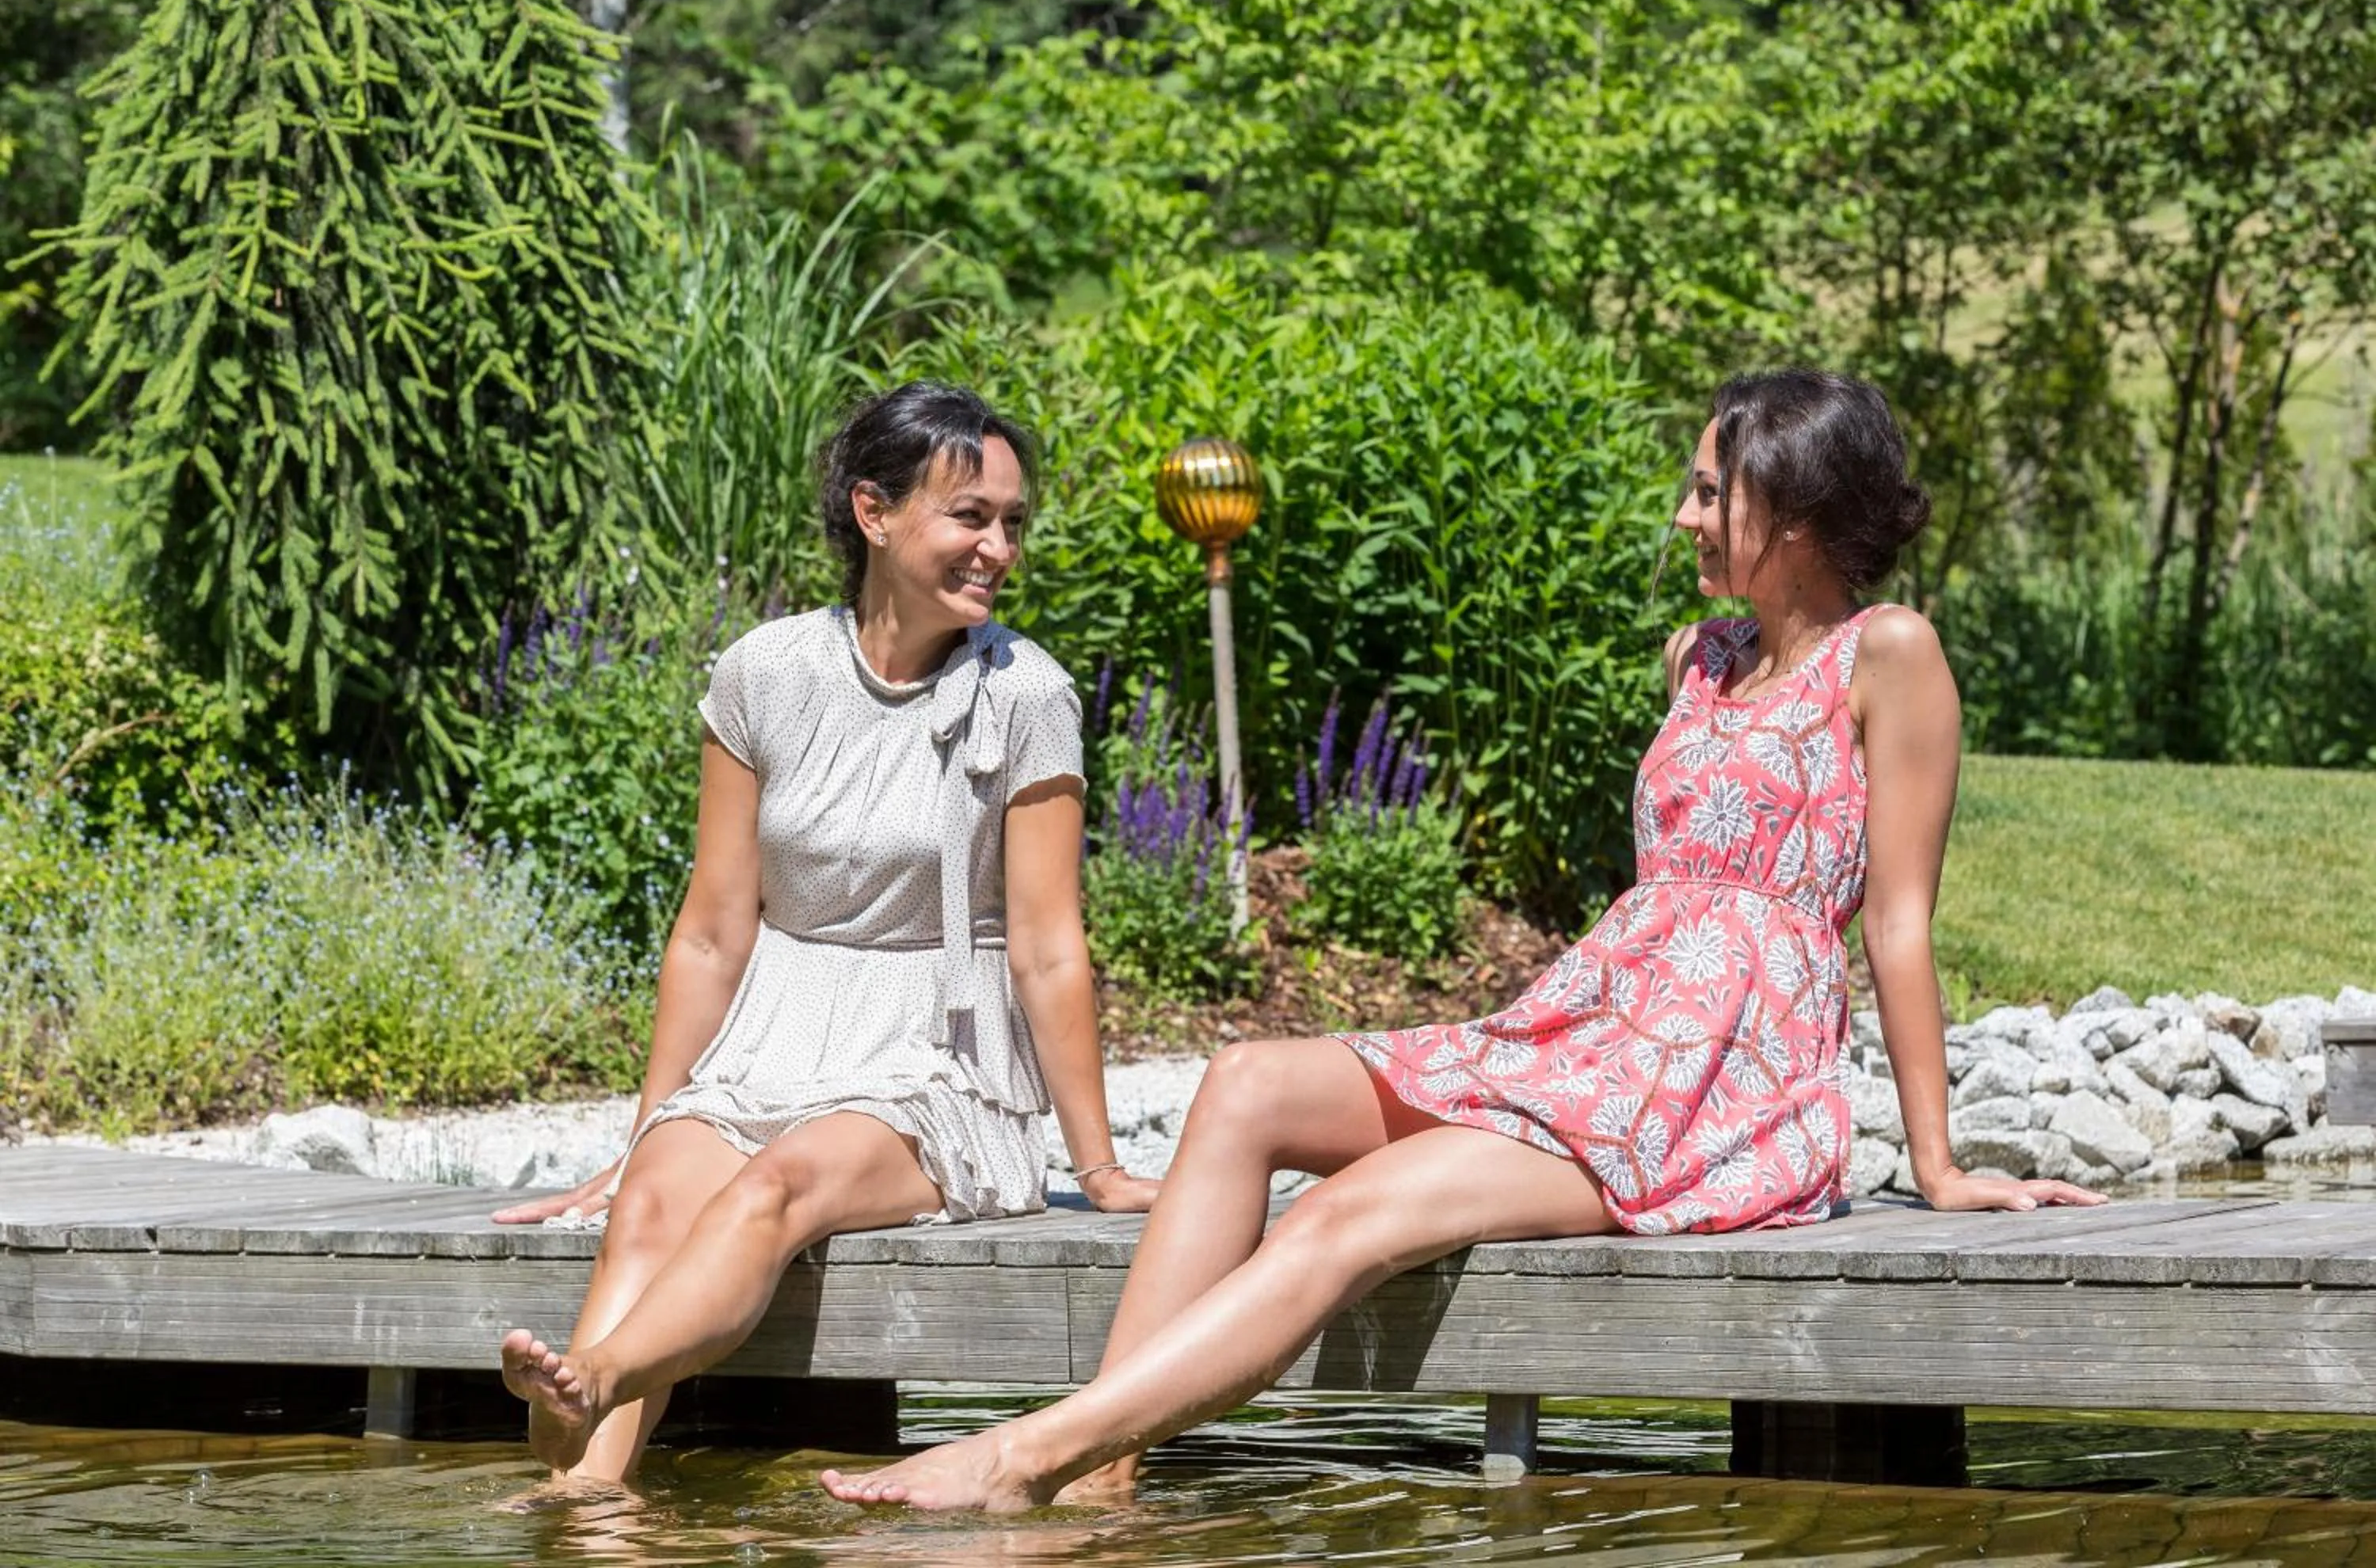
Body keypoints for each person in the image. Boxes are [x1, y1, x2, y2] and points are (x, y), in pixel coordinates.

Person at [817, 367, 2108, 1513]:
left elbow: (1897, 919)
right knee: (1249, 1082)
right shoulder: (1699, 657)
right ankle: (1104, 1479)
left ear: (1803, 507)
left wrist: (1935, 1165)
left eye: (1714, 493)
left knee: (1358, 1208)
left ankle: (1027, 1459)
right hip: (1596, 1031)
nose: (1686, 517)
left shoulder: (1890, 654)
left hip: (1719, 1087)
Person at [495, 380, 1160, 1485]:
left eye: (1012, 523)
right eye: (970, 516)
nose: (998, 547)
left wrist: (1096, 1165)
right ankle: (595, 1515)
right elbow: (713, 930)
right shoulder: (765, 672)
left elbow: (1049, 947)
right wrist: (648, 1132)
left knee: (775, 1189)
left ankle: (597, 1378)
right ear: (875, 513)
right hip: (771, 1040)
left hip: (936, 1061)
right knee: (658, 1196)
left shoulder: (1027, 696)